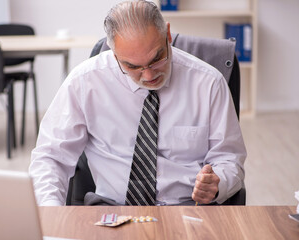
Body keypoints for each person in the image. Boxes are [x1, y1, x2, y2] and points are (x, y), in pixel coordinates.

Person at [29, 0, 246, 206]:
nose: (149, 75)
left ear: (168, 35)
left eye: (157, 58)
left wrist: (217, 183)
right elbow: (51, 158)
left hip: (187, 208)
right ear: (114, 54)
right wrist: (50, 213)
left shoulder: (209, 82)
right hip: (113, 210)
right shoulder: (85, 82)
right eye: (133, 66)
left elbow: (229, 159)